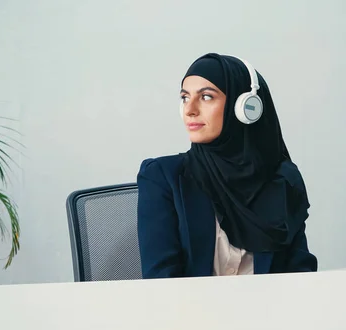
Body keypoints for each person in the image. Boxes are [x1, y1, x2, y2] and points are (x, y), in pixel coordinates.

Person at [136, 52, 317, 279]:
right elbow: (160, 280)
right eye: (184, 97)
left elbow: (300, 273)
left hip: (267, 310)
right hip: (190, 311)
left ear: (244, 108)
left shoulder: (282, 179)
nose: (189, 109)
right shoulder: (163, 177)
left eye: (206, 97)